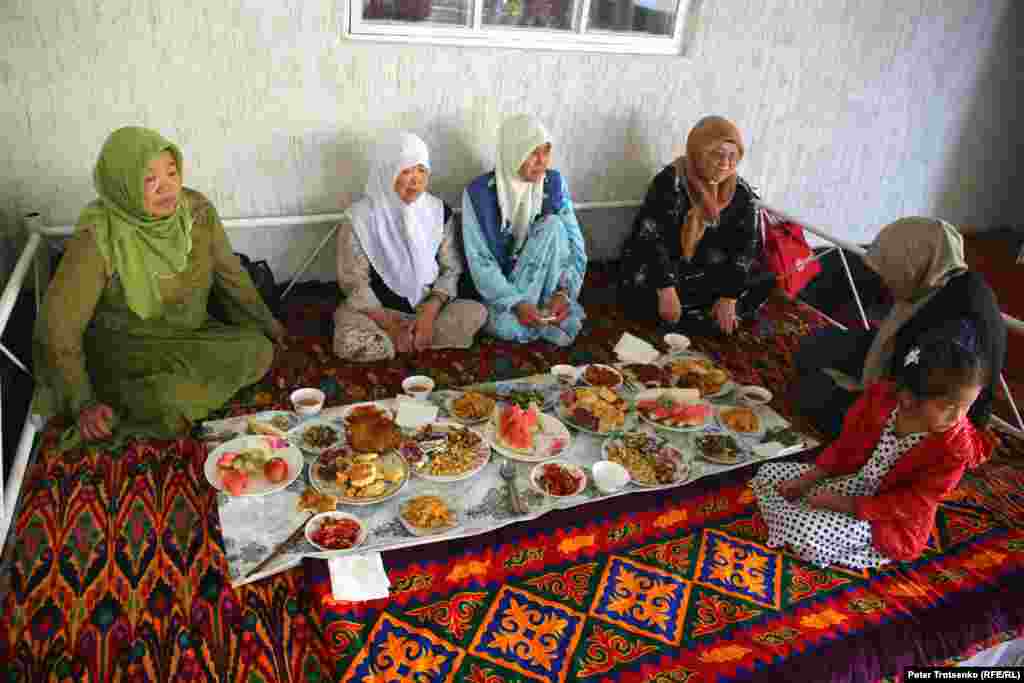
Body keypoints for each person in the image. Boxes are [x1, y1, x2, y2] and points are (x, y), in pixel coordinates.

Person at [33, 126, 286, 441]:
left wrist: (269, 324)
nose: (166, 189)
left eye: (171, 173)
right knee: (167, 401)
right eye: (149, 180)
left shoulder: (198, 212)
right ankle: (140, 405)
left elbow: (231, 276)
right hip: (125, 351)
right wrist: (82, 401)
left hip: (188, 335)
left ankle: (166, 402)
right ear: (122, 183)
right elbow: (57, 327)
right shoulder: (98, 237)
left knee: (258, 351)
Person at [752, 336, 993, 569]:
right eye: (947, 407)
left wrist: (846, 504)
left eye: (966, 407)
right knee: (768, 472)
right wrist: (808, 479)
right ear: (909, 397)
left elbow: (914, 502)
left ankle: (801, 526)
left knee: (805, 530)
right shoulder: (881, 400)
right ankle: (791, 517)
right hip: (854, 480)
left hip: (889, 516)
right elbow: (846, 445)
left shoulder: (954, 449)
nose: (957, 418)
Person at [794, 217, 1006, 439]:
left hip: (927, 408)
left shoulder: (960, 322)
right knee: (816, 344)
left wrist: (867, 397)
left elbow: (928, 398)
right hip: (908, 361)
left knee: (815, 394)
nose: (886, 279)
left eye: (890, 268)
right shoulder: (942, 279)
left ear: (913, 262)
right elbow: (899, 337)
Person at [333, 132, 486, 361]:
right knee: (347, 335)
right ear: (388, 172)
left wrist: (429, 313)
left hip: (430, 309)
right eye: (406, 171)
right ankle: (411, 339)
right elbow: (354, 282)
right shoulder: (359, 219)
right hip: (380, 311)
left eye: (421, 170)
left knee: (477, 312)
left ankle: (412, 337)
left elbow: (451, 269)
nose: (415, 180)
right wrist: (390, 325)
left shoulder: (439, 212)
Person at [617, 115, 774, 335]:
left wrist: (729, 296)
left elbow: (747, 245)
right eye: (717, 155)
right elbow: (650, 237)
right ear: (699, 151)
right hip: (669, 272)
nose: (725, 163)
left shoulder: (740, 192)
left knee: (764, 279)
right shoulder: (670, 182)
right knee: (638, 289)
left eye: (732, 156)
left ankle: (706, 314)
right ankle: (699, 317)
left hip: (707, 273)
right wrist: (666, 289)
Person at [461, 114, 587, 346]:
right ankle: (541, 320)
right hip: (506, 293)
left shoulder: (554, 184)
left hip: (547, 291)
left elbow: (576, 246)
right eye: (532, 152)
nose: (542, 161)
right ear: (513, 151)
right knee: (503, 324)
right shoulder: (479, 194)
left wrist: (563, 294)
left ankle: (545, 314)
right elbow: (480, 262)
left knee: (554, 226)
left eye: (546, 151)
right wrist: (517, 303)